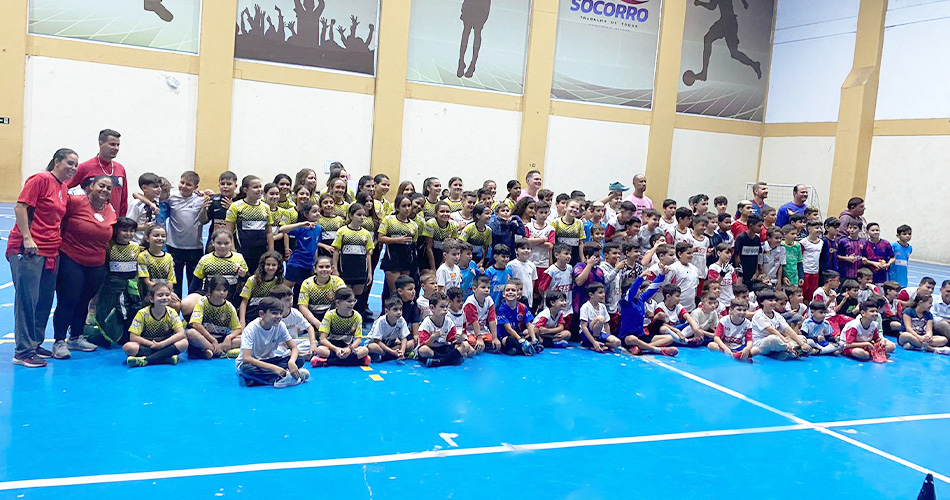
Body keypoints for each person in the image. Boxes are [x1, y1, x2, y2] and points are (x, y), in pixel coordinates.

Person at [9, 149, 78, 367]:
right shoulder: (40, 179)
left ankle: (35, 343)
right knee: (27, 301)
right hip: (29, 250)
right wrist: (28, 238)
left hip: (51, 251)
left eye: (76, 164)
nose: (73, 168)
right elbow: (21, 207)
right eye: (69, 163)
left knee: (43, 300)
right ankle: (23, 351)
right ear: (56, 161)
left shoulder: (63, 187)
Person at [51, 175, 117, 359]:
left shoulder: (110, 209)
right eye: (101, 186)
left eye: (108, 188)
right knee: (68, 299)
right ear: (90, 187)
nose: (105, 190)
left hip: (96, 263)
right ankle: (59, 341)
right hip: (71, 258)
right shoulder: (76, 202)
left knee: (84, 301)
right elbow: (57, 215)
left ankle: (76, 337)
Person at [236, 296, 310, 388]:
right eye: (274, 313)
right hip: (253, 363)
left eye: (280, 313)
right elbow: (247, 358)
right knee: (247, 370)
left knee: (299, 359)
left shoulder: (280, 325)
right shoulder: (251, 329)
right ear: (262, 314)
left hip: (269, 360)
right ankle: (286, 377)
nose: (278, 317)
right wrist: (274, 368)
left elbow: (294, 348)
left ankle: (269, 379)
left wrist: (291, 362)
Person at [94, 217, 141, 346]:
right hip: (112, 287)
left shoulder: (136, 247)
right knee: (110, 310)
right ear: (116, 231)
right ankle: (109, 335)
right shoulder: (109, 246)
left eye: (132, 231)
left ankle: (125, 334)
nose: (128, 234)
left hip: (130, 288)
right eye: (124, 230)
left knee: (128, 310)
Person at [123, 280, 188, 367]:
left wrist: (162, 344)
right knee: (128, 347)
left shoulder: (171, 313)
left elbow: (181, 333)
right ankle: (166, 357)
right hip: (148, 344)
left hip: (165, 343)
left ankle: (146, 360)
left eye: (167, 295)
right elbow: (133, 337)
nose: (164, 297)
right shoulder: (142, 313)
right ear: (151, 299)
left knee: (184, 343)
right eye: (160, 295)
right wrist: (153, 345)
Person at [618, 268, 678, 356]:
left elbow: (652, 288)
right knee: (631, 339)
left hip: (641, 335)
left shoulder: (641, 299)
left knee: (669, 338)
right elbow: (631, 291)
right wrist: (640, 277)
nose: (639, 290)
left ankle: (642, 347)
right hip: (627, 337)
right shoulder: (625, 302)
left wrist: (661, 275)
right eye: (638, 289)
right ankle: (657, 350)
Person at [69, 129, 128, 216]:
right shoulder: (85, 167)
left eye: (118, 145)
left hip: (114, 221)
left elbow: (124, 199)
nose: (116, 148)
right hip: (89, 219)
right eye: (112, 144)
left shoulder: (120, 169)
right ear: (101, 144)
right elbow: (65, 188)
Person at [165, 171, 205, 297]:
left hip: (194, 248)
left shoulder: (201, 200)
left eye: (188, 184)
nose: (183, 186)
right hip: (174, 247)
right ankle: (174, 313)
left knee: (193, 284)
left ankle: (191, 314)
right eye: (182, 183)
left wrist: (207, 193)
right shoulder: (171, 197)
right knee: (174, 284)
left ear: (195, 188)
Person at [186, 276, 243, 359]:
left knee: (243, 339)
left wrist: (229, 337)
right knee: (191, 333)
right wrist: (212, 340)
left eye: (224, 290)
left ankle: (211, 351)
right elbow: (195, 324)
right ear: (211, 290)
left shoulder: (229, 307)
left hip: (221, 339)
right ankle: (218, 351)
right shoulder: (203, 302)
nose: (222, 293)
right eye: (218, 290)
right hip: (205, 338)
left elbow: (238, 328)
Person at [226, 175, 272, 276]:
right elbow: (228, 232)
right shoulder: (236, 207)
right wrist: (233, 252)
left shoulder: (265, 207)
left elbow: (269, 232)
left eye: (260, 186)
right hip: (243, 252)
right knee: (242, 282)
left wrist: (271, 252)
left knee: (259, 280)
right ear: (245, 189)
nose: (259, 190)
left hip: (261, 253)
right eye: (255, 187)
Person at [311, 288, 369, 366]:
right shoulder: (330, 315)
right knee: (320, 350)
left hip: (347, 346)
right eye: (348, 301)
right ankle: (357, 361)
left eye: (353, 301)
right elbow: (322, 339)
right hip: (332, 346)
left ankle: (327, 361)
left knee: (364, 350)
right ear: (338, 303)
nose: (352, 304)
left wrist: (349, 349)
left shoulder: (357, 316)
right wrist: (336, 349)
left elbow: (358, 339)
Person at [332, 203, 375, 300]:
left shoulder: (366, 233)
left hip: (360, 271)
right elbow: (336, 251)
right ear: (351, 215)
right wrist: (335, 269)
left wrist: (369, 273)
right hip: (346, 270)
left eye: (363, 215)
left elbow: (368, 254)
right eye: (359, 215)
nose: (362, 217)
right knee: (345, 295)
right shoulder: (342, 231)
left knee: (357, 297)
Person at [418, 292, 469, 367]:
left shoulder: (448, 321)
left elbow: (452, 341)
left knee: (466, 346)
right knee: (423, 350)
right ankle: (451, 360)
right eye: (442, 307)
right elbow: (424, 344)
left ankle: (440, 361)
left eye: (446, 306)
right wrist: (432, 338)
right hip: (432, 349)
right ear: (432, 308)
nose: (445, 309)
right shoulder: (426, 323)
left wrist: (460, 339)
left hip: (444, 347)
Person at [297, 255, 347, 330]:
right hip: (312, 316)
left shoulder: (337, 281)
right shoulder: (307, 283)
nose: (324, 269)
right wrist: (316, 323)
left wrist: (329, 320)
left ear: (332, 269)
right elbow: (302, 306)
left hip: (331, 314)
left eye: (327, 267)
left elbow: (344, 299)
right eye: (321, 267)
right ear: (315, 269)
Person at [239, 251, 284, 326]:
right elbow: (244, 302)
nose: (270, 267)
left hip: (271, 316)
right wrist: (242, 321)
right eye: (268, 264)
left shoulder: (279, 281)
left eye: (274, 265)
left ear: (278, 266)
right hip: (252, 315)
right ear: (263, 265)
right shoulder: (253, 280)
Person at [496, 281, 540, 355]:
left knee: (535, 335)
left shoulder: (522, 307)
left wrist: (534, 339)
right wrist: (521, 340)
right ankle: (521, 348)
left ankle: (524, 348)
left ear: (518, 295)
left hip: (518, 333)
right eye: (507, 290)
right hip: (504, 336)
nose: (510, 292)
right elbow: (508, 329)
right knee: (511, 341)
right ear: (503, 294)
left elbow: (528, 325)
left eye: (513, 290)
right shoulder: (501, 309)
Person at [367, 297, 414, 362]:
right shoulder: (381, 321)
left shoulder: (401, 320)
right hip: (378, 345)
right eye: (395, 310)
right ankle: (389, 355)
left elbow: (404, 338)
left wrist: (402, 351)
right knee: (372, 347)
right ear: (387, 311)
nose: (399, 312)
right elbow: (377, 341)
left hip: (390, 345)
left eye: (400, 309)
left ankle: (386, 356)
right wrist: (392, 352)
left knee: (411, 344)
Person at [579, 283, 620, 352]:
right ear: (591, 295)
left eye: (604, 292)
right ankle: (593, 342)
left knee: (617, 342)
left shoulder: (602, 307)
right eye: (600, 293)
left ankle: (599, 344)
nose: (603, 295)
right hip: (587, 333)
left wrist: (608, 337)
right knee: (600, 319)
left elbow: (606, 325)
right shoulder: (585, 307)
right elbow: (584, 327)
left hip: (600, 333)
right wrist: (594, 342)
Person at [126, 173, 162, 244]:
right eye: (155, 187)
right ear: (144, 188)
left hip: (151, 243)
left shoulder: (156, 201)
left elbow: (136, 194)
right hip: (137, 243)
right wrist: (143, 227)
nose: (159, 189)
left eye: (160, 186)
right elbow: (128, 225)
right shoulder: (136, 204)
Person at [734, 214, 764, 284]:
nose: (761, 228)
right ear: (751, 226)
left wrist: (757, 271)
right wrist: (739, 272)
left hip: (753, 274)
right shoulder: (741, 238)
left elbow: (759, 256)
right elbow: (736, 255)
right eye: (759, 226)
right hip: (742, 273)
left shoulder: (757, 239)